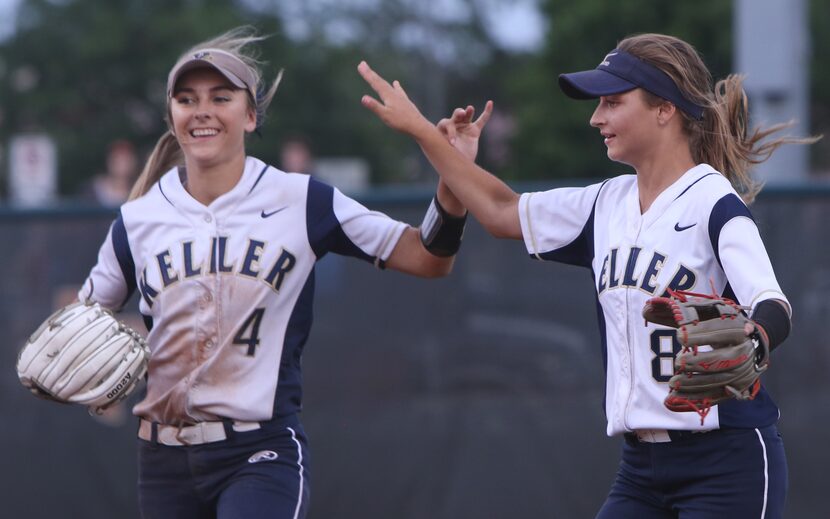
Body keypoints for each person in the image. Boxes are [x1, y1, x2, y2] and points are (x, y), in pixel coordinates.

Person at [359, 32, 817, 518]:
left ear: (665, 108)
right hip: (641, 468)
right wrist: (433, 141)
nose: (596, 118)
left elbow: (772, 304)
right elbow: (499, 209)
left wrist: (755, 336)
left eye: (613, 102)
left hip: (727, 461)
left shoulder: (712, 203)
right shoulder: (604, 205)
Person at [77, 26, 469, 519]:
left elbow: (428, 257)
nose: (202, 110)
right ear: (171, 116)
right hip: (162, 462)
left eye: (221, 97)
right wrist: (82, 357)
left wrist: (451, 173)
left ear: (251, 114)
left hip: (258, 452)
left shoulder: (302, 200)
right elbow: (86, 321)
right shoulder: (137, 219)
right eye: (186, 98)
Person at [79, 139, 140, 206]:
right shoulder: (91, 191)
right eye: (118, 159)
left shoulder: (141, 192)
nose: (123, 164)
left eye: (127, 160)